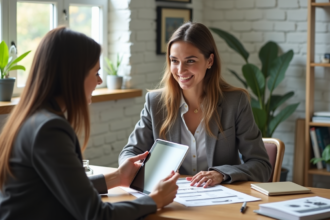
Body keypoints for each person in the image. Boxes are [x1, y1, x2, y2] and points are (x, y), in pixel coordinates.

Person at [0, 27, 179, 220]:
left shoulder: (31, 117)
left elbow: (64, 188)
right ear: (74, 76)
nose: (100, 80)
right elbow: (95, 215)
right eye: (96, 72)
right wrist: (155, 200)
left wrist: (117, 177)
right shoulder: (49, 130)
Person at [119, 22, 272, 188]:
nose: (180, 70)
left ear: (210, 61)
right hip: (171, 198)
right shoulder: (155, 102)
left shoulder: (235, 102)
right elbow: (130, 153)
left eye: (190, 61)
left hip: (221, 200)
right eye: (174, 61)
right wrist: (138, 169)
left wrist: (221, 174)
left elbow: (261, 165)